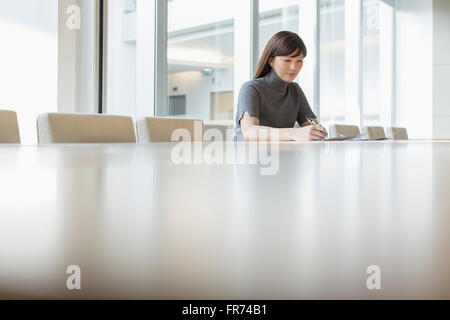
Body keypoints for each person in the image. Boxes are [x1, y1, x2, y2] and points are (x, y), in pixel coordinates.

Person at [234, 31, 328, 141]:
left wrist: (316, 132)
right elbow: (250, 132)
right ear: (271, 61)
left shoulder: (295, 90)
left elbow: (310, 125)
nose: (293, 67)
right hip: (248, 155)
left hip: (281, 155)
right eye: (287, 60)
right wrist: (294, 133)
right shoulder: (251, 88)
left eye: (299, 61)